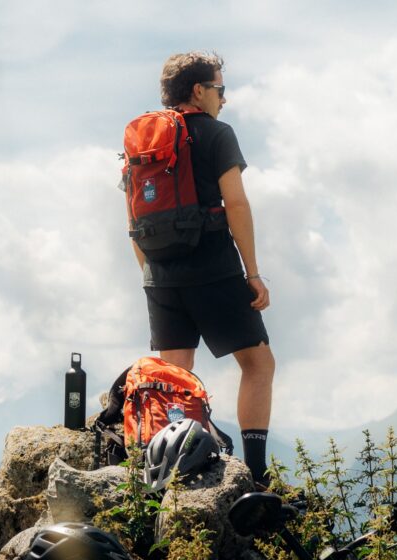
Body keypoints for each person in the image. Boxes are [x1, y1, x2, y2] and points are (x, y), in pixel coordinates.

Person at [130, 51, 275, 490]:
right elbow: (237, 203)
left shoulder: (145, 141)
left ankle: (168, 478)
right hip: (213, 267)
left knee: (175, 378)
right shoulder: (216, 134)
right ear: (199, 90)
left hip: (160, 276)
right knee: (258, 363)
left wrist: (153, 276)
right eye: (220, 89)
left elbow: (133, 221)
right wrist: (252, 272)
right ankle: (255, 474)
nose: (223, 99)